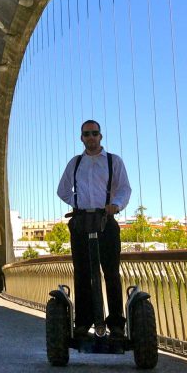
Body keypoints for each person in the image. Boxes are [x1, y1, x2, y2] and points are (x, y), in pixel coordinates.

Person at [57, 120, 131, 338]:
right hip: (81, 221)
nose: (91, 137)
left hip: (106, 221)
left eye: (94, 133)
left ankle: (116, 324)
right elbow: (62, 190)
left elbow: (125, 188)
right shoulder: (76, 162)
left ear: (101, 136)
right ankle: (83, 322)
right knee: (82, 273)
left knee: (111, 272)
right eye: (86, 134)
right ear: (81, 137)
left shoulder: (112, 161)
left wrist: (115, 206)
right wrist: (77, 203)